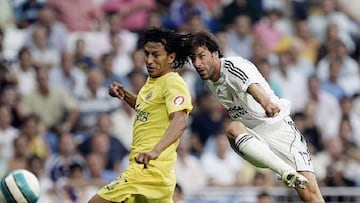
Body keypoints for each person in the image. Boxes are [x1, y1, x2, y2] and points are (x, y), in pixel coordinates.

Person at [187, 30, 324, 202]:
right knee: (232, 129)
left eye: (201, 56)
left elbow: (251, 85)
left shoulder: (232, 66)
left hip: (279, 129)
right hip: (254, 139)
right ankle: (285, 171)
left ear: (215, 54)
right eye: (193, 59)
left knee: (311, 196)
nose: (197, 63)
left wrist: (266, 103)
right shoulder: (208, 79)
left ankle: (288, 173)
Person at [88, 27, 193, 203]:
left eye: (156, 55)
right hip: (158, 175)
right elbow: (148, 111)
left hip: (147, 170)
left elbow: (180, 121)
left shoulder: (172, 82)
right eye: (146, 54)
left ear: (171, 57)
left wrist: (154, 151)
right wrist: (125, 95)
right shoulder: (152, 83)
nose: (149, 60)